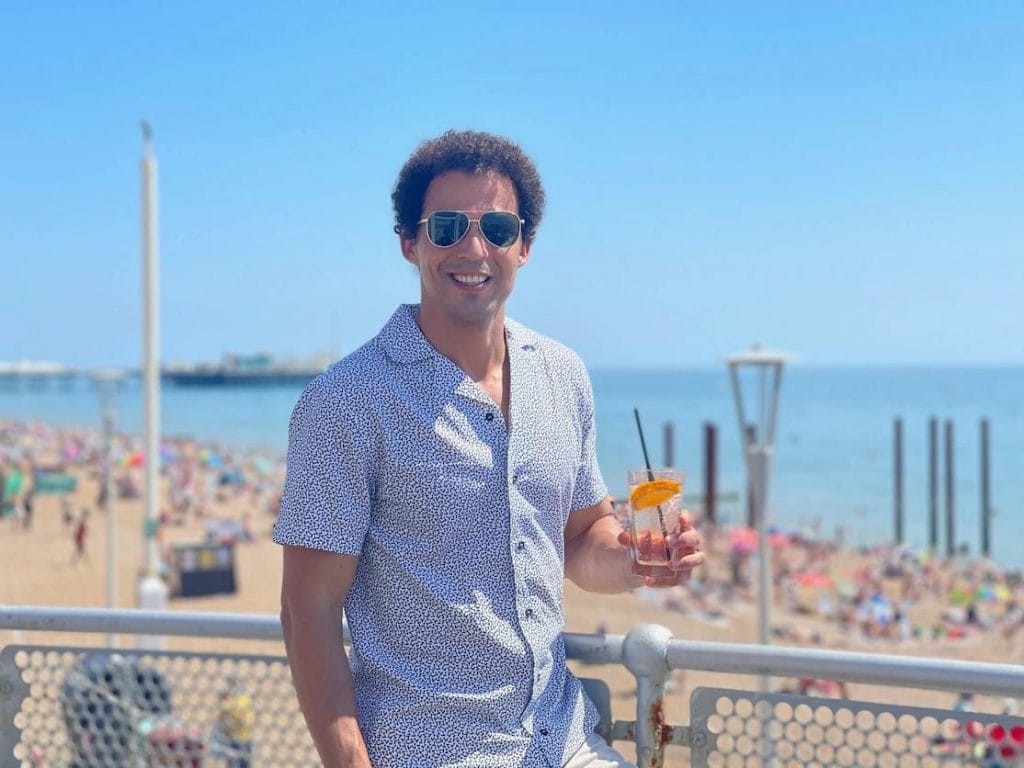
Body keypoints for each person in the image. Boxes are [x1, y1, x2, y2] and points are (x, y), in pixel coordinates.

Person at [274, 129, 704, 768]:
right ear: (409, 243)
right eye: (446, 227)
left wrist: (639, 561)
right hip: (430, 749)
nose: (473, 248)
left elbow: (584, 537)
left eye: (497, 228)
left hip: (563, 742)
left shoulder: (564, 374)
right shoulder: (345, 401)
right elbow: (308, 610)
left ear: (524, 246)